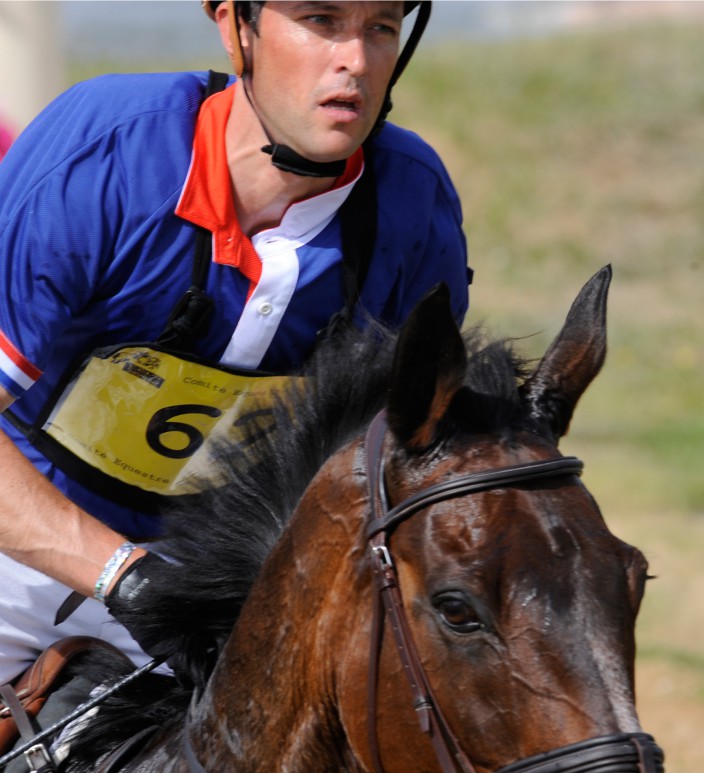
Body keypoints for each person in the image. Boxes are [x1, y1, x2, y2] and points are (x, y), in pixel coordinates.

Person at [0, 1, 470, 699]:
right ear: (234, 27)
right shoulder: (106, 153)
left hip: (217, 586)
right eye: (320, 20)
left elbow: (416, 460)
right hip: (20, 543)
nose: (356, 60)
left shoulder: (414, 205)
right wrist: (124, 575)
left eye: (381, 28)